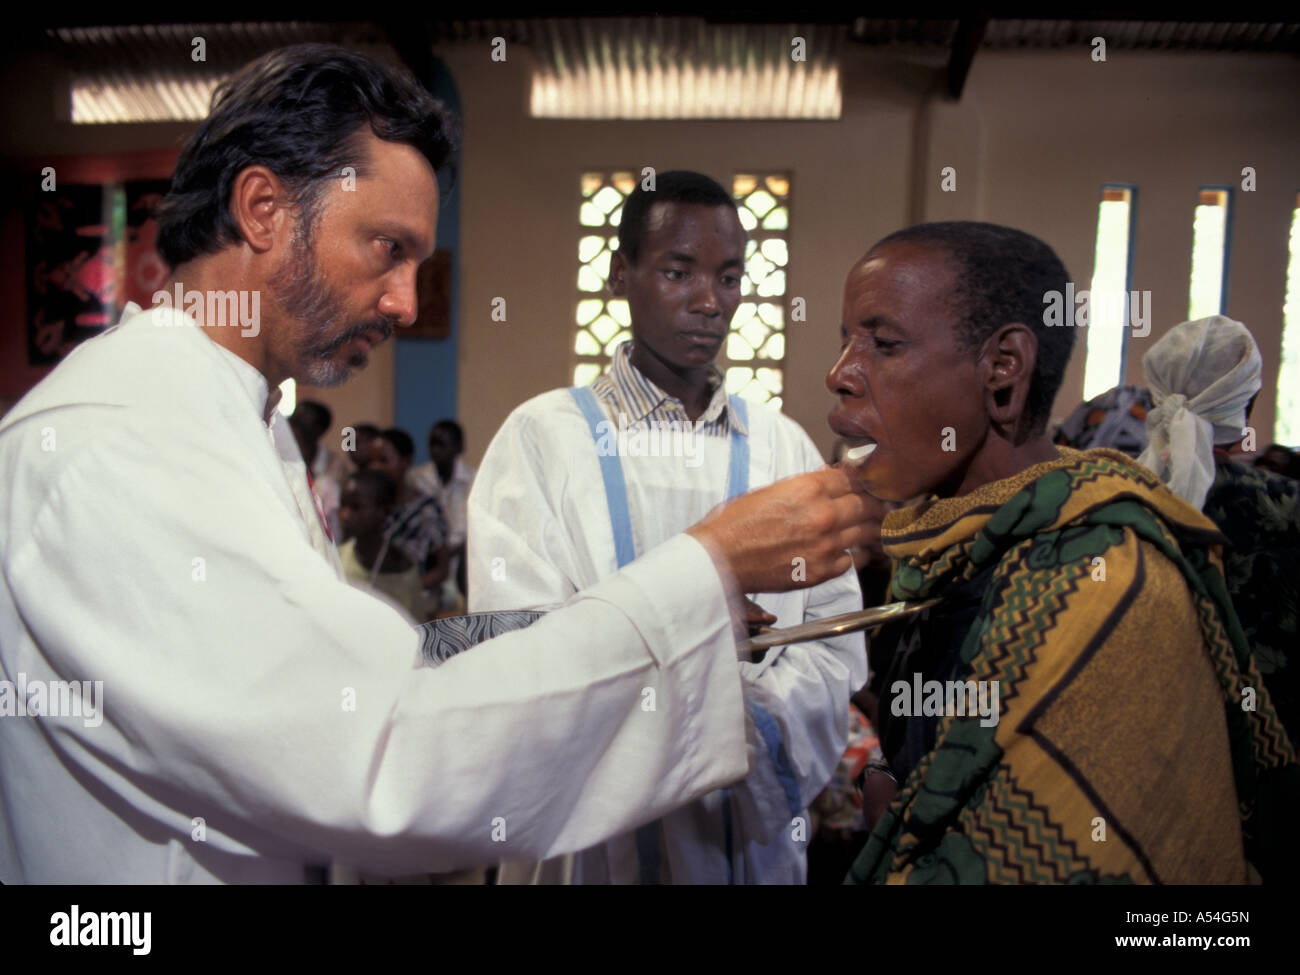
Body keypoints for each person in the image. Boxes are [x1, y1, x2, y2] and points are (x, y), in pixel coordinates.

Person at [0, 44, 875, 884]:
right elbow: (381, 756)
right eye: (387, 248)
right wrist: (706, 568)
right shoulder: (123, 437)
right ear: (262, 208)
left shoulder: (239, 415)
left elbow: (318, 665)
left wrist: (496, 636)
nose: (406, 300)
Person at [831, 221, 1298, 884]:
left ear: (1003, 369)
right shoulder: (943, 548)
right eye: (844, 341)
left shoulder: (1106, 590)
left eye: (882, 343)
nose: (840, 373)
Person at [469, 170, 866, 884]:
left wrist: (737, 725)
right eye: (678, 271)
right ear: (622, 275)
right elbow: (515, 644)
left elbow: (834, 647)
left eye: (730, 276)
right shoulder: (542, 438)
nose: (710, 302)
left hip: (744, 843)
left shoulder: (782, 447)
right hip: (588, 848)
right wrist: (702, 682)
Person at [1139, 315, 1299, 745]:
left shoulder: (1118, 493)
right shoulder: (1288, 506)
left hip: (1152, 736)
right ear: (1249, 400)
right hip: (1272, 743)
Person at [369, 427, 451, 604]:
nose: (375, 467)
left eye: (383, 460)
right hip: (372, 598)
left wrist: (402, 590)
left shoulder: (425, 509)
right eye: (372, 461)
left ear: (406, 461)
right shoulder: (370, 507)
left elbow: (442, 569)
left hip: (414, 599)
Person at [337, 468, 426, 622]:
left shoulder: (402, 572)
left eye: (356, 507)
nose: (345, 515)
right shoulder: (335, 558)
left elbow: (416, 632)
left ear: (384, 511)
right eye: (343, 505)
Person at [409, 419, 475, 611]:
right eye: (432, 444)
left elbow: (470, 525)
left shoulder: (473, 478)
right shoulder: (417, 478)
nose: (436, 450)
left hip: (461, 555)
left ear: (459, 447)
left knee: (458, 601)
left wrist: (449, 551)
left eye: (442, 444)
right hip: (426, 555)